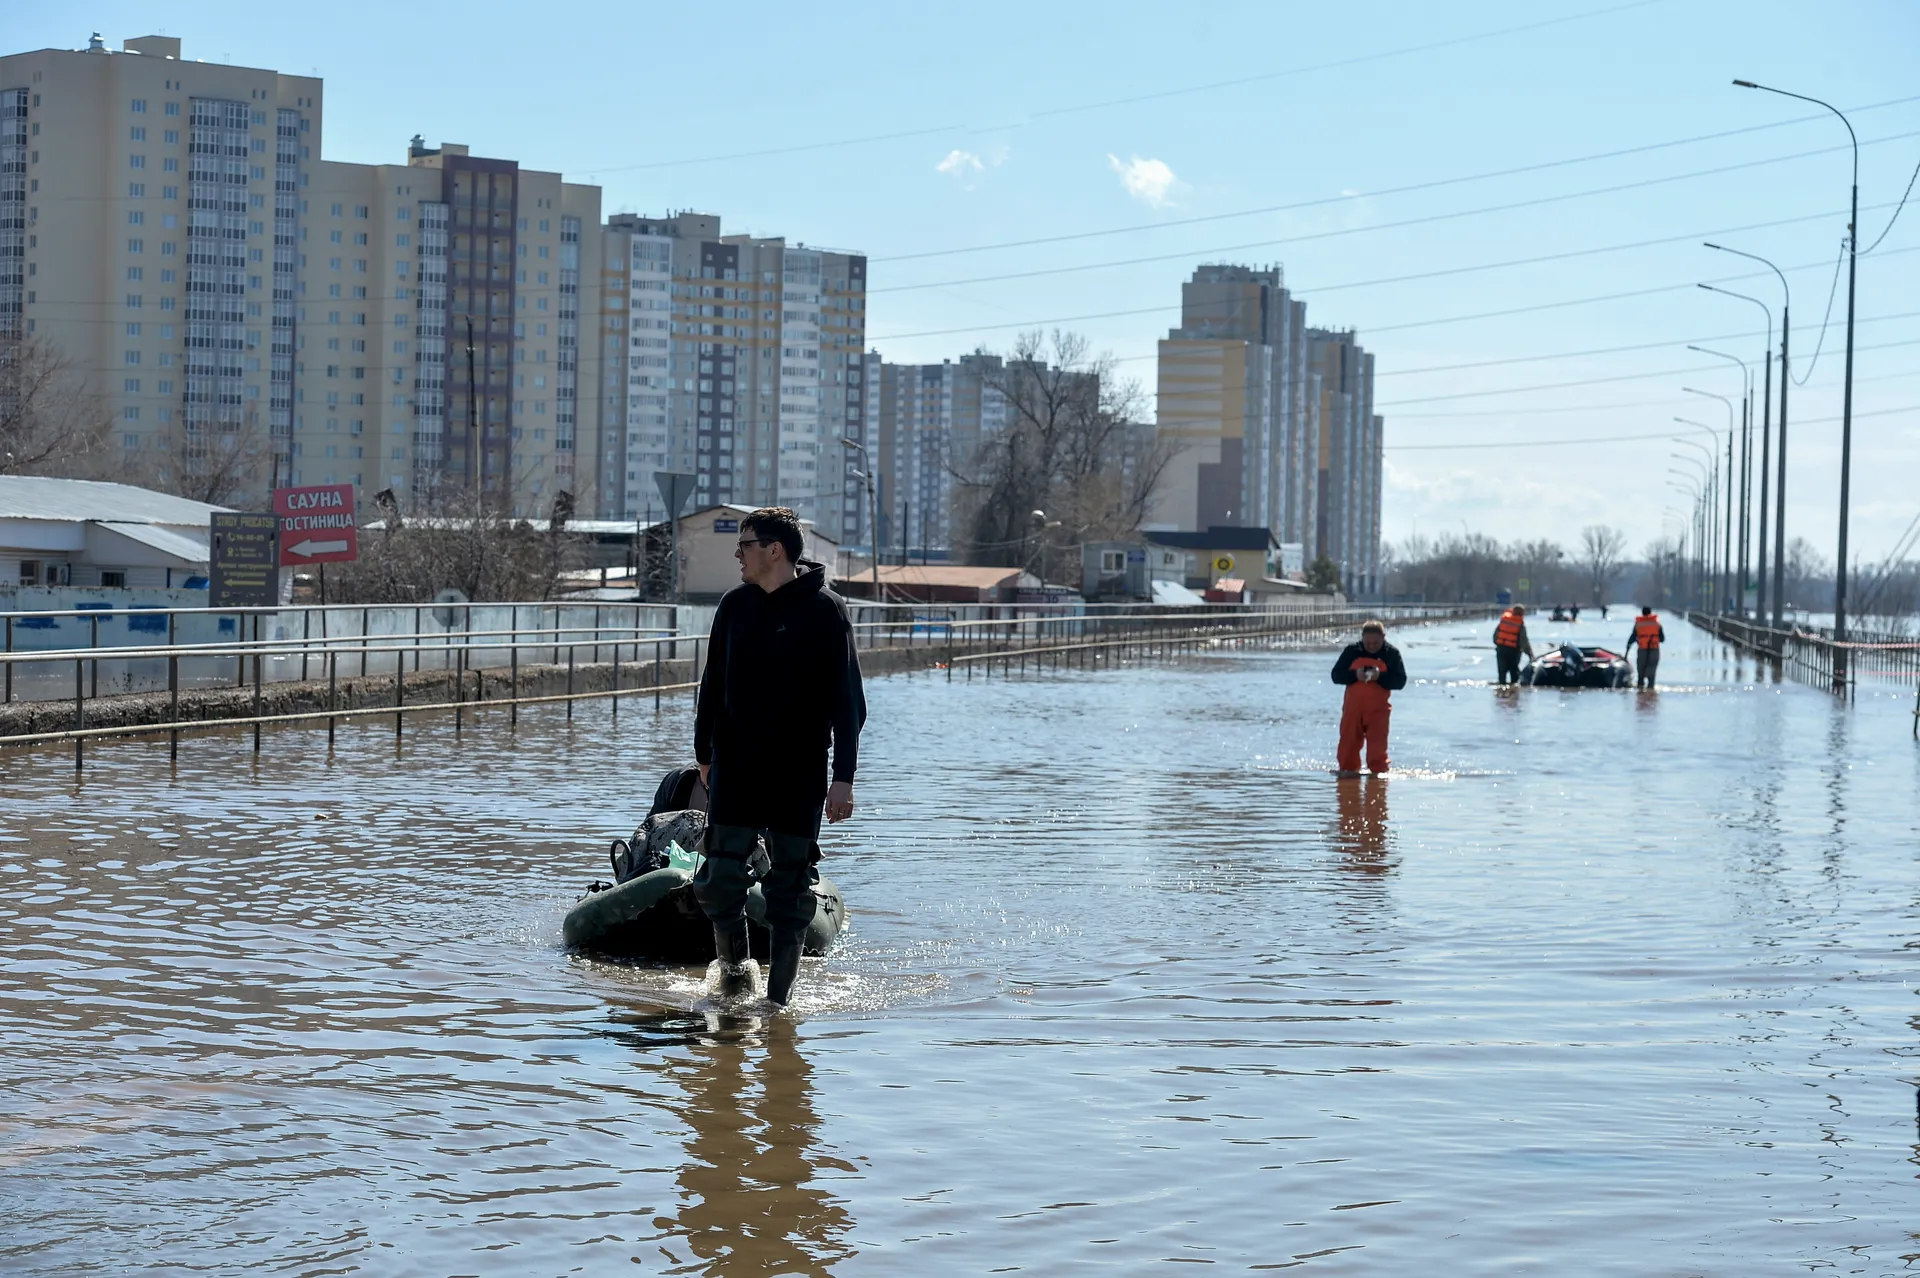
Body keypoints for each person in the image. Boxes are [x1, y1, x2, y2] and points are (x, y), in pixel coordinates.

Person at [693, 507, 866, 1008]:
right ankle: (735, 978)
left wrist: (844, 778)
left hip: (799, 773)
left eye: (744, 544)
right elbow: (712, 687)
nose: (737, 554)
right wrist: (704, 754)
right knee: (719, 882)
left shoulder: (826, 611)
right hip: (737, 769)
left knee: (788, 898)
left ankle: (777, 1006)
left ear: (774, 551)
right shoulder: (733, 606)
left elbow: (848, 703)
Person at [1330, 620, 1407, 777]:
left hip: (1378, 710)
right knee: (1348, 746)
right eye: (1368, 642)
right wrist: (1354, 675)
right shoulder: (1352, 652)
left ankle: (1378, 781)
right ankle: (1347, 779)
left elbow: (1400, 681)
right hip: (1353, 709)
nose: (1371, 646)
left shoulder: (1391, 654)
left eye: (1375, 643)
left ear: (1383, 638)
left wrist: (1380, 676)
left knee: (1377, 750)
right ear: (1362, 638)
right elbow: (1336, 676)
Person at [1624, 605, 1665, 688]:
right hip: (1654, 650)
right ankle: (1651, 688)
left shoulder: (1638, 624)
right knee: (1652, 671)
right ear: (1650, 612)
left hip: (1642, 650)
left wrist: (1627, 650)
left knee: (1641, 671)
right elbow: (1662, 639)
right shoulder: (1657, 624)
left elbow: (1632, 638)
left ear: (1642, 613)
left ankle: (1640, 688)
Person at [1492, 603, 1533, 685]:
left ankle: (1501, 689)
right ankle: (1513, 692)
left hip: (1501, 649)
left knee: (1502, 672)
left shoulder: (1504, 620)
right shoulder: (1520, 624)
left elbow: (1495, 635)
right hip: (1514, 651)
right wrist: (1529, 653)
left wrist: (1499, 644)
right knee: (1514, 672)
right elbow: (1523, 640)